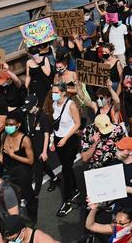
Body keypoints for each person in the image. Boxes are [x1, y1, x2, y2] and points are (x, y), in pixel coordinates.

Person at [49, 82, 81, 217]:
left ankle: (67, 200)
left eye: (56, 92)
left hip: (70, 140)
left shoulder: (71, 105)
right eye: (52, 92)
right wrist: (52, 140)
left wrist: (66, 138)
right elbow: (55, 125)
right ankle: (75, 189)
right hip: (58, 139)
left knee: (65, 169)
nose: (53, 94)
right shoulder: (53, 105)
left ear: (63, 92)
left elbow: (77, 124)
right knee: (65, 166)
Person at [0, 112, 36, 222]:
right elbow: (1, 153)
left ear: (18, 125)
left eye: (11, 124)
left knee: (28, 195)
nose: (8, 127)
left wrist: (13, 155)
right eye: (6, 124)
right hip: (8, 171)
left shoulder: (25, 140)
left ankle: (32, 218)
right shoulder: (4, 135)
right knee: (13, 196)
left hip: (22, 172)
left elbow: (30, 160)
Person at [20, 94, 58, 197]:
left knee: (38, 171)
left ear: (36, 104)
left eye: (30, 107)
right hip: (31, 145)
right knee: (42, 165)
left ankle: (35, 194)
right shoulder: (26, 114)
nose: (29, 109)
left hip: (41, 146)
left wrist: (45, 151)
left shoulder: (43, 116)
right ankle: (54, 178)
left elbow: (46, 135)